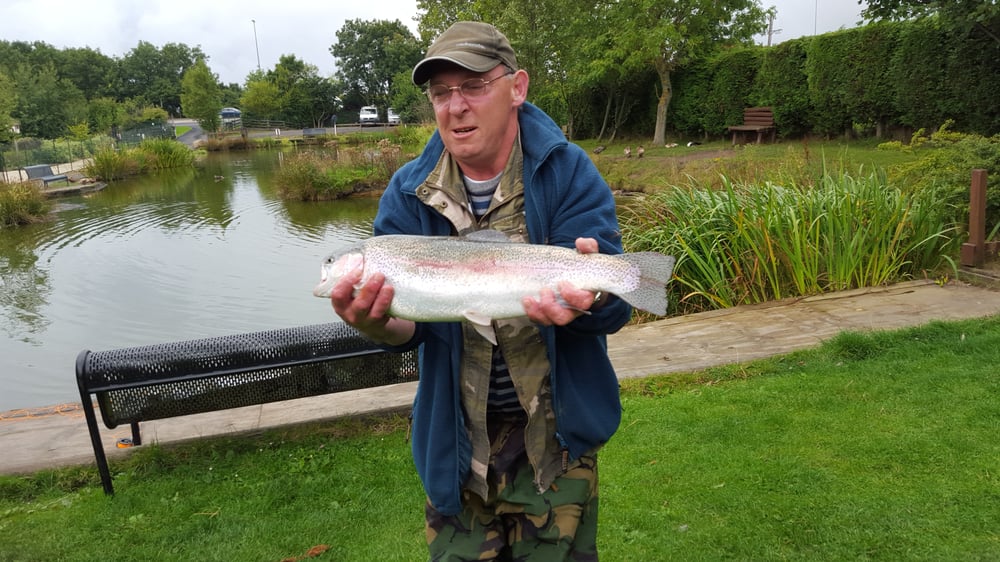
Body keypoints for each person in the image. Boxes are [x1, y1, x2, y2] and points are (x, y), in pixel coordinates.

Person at [329, 21, 631, 561]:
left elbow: (614, 308)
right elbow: (409, 328)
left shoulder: (567, 171)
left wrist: (600, 291)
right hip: (456, 444)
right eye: (441, 92)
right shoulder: (406, 191)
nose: (455, 106)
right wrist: (377, 324)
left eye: (473, 86)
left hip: (557, 444)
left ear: (517, 87)